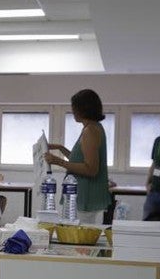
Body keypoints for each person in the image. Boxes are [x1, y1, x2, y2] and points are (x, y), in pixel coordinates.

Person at [46, 90, 113, 224]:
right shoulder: (92, 127)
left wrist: (58, 161)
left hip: (85, 197)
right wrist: (60, 148)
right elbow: (78, 161)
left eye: (74, 107)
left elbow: (91, 169)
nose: (73, 111)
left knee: (79, 233)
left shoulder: (90, 131)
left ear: (83, 109)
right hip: (81, 196)